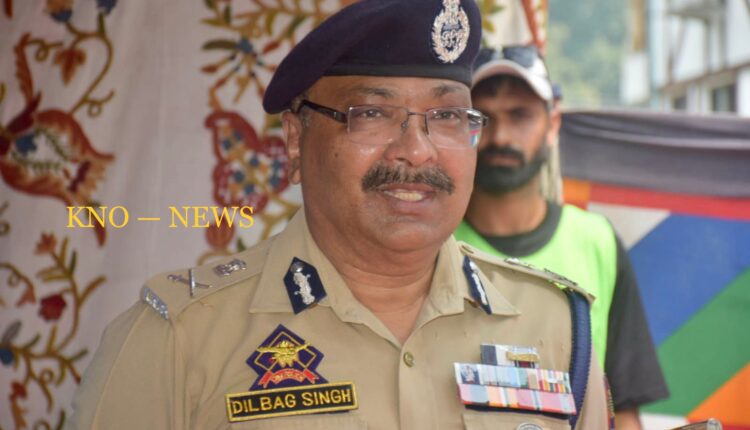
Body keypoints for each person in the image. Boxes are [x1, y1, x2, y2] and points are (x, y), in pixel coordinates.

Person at [66, 2, 610, 428]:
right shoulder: (180, 337)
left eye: (446, 116)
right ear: (295, 140)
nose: (416, 151)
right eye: (372, 113)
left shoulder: (554, 327)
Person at [454, 44, 669, 429]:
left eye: (520, 115)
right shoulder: (434, 244)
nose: (501, 135)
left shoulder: (596, 241)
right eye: (483, 117)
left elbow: (624, 410)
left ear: (553, 124)